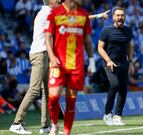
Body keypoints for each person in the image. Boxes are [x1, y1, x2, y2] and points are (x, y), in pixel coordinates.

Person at [45, 0, 96, 134]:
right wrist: (51, 57)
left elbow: (87, 40)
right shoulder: (54, 13)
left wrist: (91, 61)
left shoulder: (84, 14)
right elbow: (47, 37)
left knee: (71, 102)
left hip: (76, 66)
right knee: (53, 98)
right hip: (58, 64)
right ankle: (55, 125)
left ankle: (66, 132)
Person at [9, 0, 60, 134]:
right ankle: (16, 123)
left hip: (44, 54)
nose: (60, 1)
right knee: (34, 90)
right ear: (51, 1)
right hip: (40, 55)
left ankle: (45, 126)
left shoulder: (46, 12)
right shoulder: (48, 13)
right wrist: (96, 16)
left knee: (47, 92)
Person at [98, 6, 134, 126]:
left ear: (125, 17)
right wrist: (108, 60)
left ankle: (117, 116)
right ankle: (107, 114)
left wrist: (131, 61)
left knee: (123, 90)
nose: (120, 17)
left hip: (124, 63)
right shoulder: (106, 30)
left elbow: (130, 46)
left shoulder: (128, 30)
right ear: (113, 17)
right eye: (118, 15)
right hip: (110, 63)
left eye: (122, 15)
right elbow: (100, 48)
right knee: (114, 85)